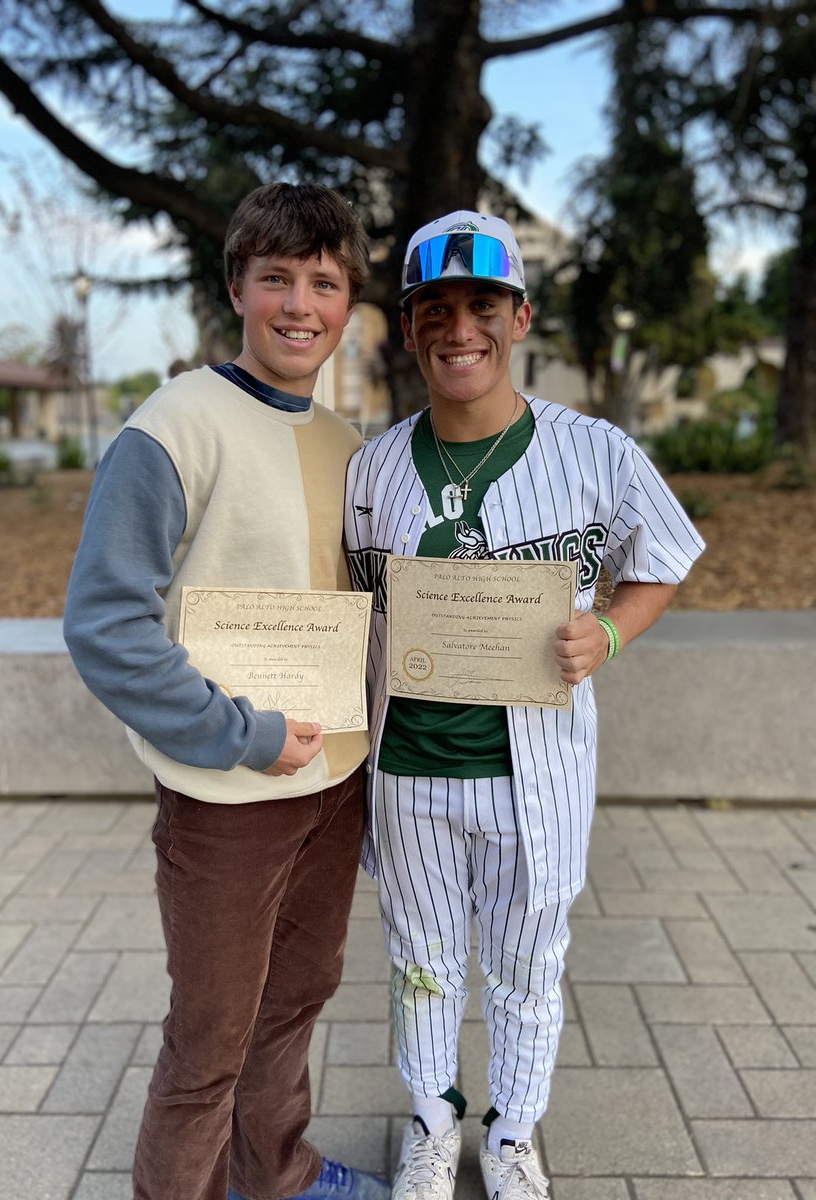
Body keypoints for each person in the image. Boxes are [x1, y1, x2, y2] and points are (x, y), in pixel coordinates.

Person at [344, 211, 705, 1200]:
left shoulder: (594, 452)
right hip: (410, 771)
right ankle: (430, 1119)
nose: (460, 328)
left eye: (482, 306)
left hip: (534, 772)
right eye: (435, 308)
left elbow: (662, 562)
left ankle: (512, 1134)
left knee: (528, 963)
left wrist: (613, 632)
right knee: (420, 960)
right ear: (408, 327)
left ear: (520, 316)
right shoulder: (371, 471)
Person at [64, 182, 389, 1200]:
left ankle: (277, 1174)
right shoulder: (174, 427)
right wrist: (239, 734)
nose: (302, 304)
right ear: (237, 287)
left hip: (333, 782)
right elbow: (106, 627)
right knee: (209, 1037)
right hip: (227, 794)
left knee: (298, 996)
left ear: (349, 304)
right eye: (278, 278)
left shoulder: (347, 445)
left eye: (325, 282)